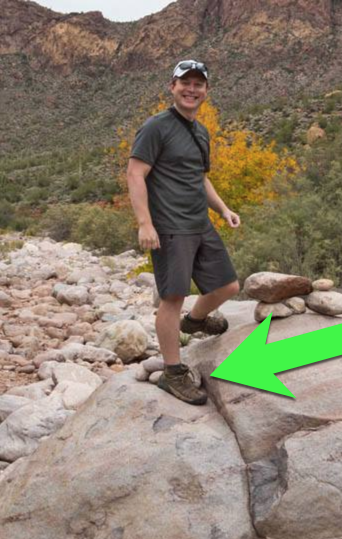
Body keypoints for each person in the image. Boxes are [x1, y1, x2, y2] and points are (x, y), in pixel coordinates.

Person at [127, 59, 240, 405]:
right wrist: (145, 223)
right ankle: (172, 372)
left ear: (206, 90)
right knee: (172, 297)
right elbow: (135, 173)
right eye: (185, 83)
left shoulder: (200, 131)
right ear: (172, 87)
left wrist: (222, 209)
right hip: (170, 227)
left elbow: (199, 177)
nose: (191, 90)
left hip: (199, 223)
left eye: (198, 84)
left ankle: (195, 321)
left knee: (228, 286)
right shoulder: (156, 127)